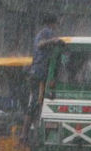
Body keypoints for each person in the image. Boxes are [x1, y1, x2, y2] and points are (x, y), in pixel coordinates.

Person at [21, 14, 63, 142]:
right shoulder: (46, 32)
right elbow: (40, 44)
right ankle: (25, 134)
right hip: (39, 73)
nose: (57, 27)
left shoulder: (45, 32)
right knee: (35, 103)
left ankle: (30, 132)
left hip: (39, 72)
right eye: (56, 24)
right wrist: (54, 41)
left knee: (37, 103)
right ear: (52, 23)